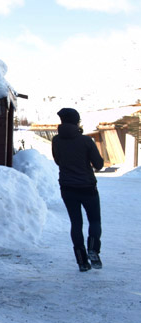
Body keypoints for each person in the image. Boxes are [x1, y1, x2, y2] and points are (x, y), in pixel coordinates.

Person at [51, 107, 104, 272]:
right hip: (87, 187)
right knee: (94, 221)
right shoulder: (86, 141)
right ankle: (93, 249)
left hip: (67, 188)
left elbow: (58, 161)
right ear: (76, 121)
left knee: (76, 223)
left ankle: (82, 262)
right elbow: (99, 165)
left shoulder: (56, 140)